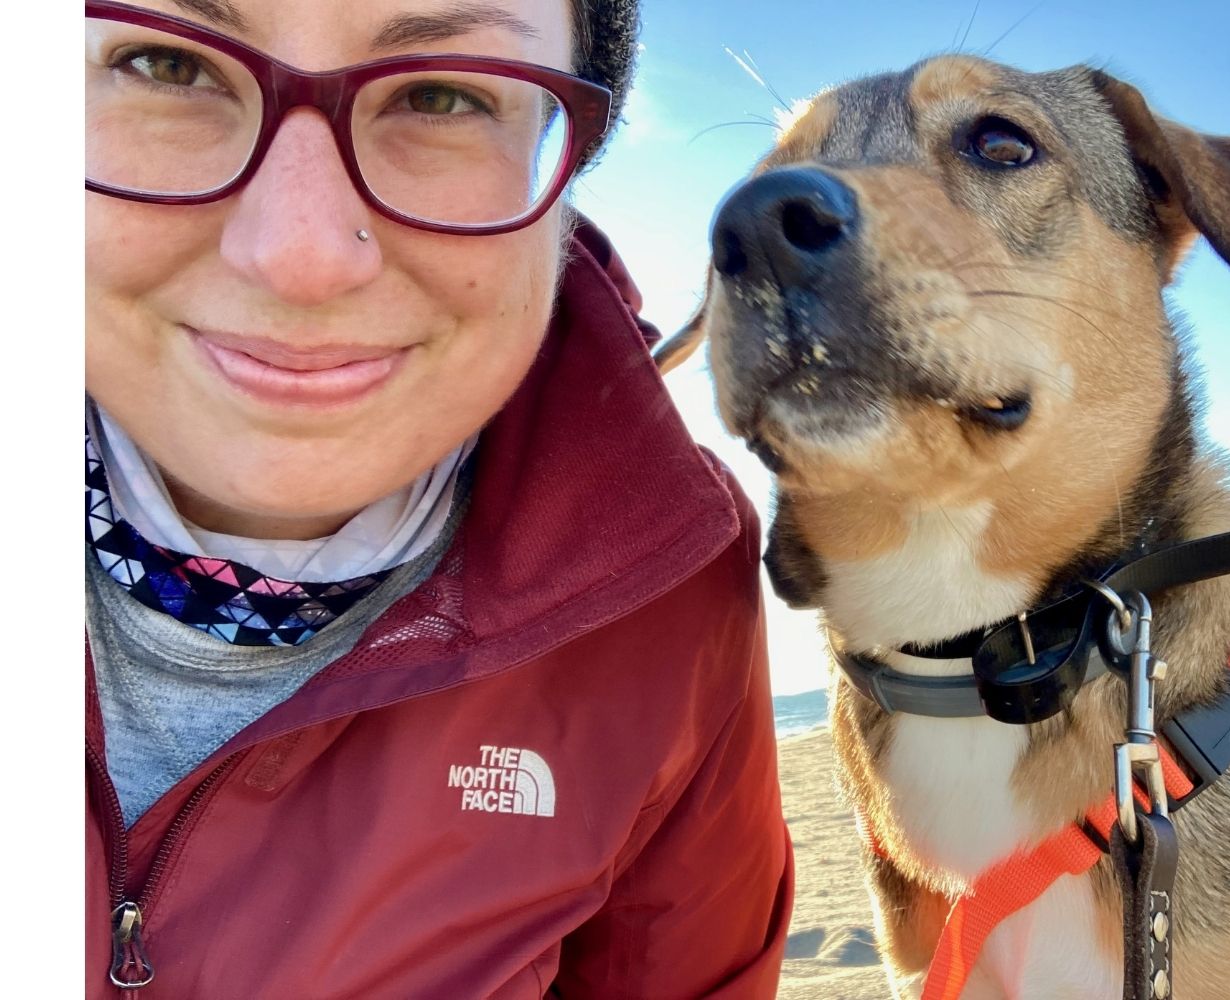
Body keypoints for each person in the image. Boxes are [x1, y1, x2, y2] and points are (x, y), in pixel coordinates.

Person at [83, 1, 793, 996]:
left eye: (441, 95)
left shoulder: (672, 582)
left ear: (567, 177)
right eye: (166, 65)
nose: (302, 256)